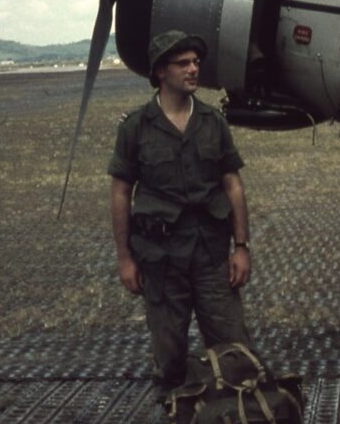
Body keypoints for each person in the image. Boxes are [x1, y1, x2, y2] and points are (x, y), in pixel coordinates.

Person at [108, 30, 253, 395]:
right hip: (161, 259)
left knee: (235, 353)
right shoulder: (136, 127)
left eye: (195, 62)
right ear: (160, 72)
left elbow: (232, 184)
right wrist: (125, 258)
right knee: (170, 358)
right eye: (183, 63)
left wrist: (241, 247)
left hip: (209, 255)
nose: (193, 69)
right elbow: (121, 193)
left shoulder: (212, 122)